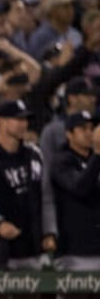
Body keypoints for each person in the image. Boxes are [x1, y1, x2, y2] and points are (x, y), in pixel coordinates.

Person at [0, 100, 57, 274]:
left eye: (25, 120)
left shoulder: (35, 154)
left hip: (31, 247)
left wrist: (49, 231)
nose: (24, 124)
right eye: (17, 119)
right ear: (1, 122)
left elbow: (46, 196)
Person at [50, 112, 100, 272]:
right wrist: (98, 154)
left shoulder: (95, 157)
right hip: (74, 252)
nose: (89, 132)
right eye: (82, 128)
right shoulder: (61, 160)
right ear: (69, 134)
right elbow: (79, 188)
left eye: (91, 128)